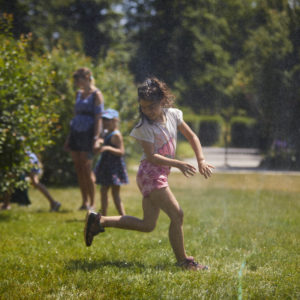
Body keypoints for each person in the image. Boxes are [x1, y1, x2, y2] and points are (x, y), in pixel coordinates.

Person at [84, 77, 214, 270]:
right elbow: (152, 157)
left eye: (151, 106)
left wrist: (201, 159)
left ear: (162, 100)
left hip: (155, 175)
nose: (148, 111)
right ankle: (183, 261)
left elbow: (192, 136)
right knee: (177, 215)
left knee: (147, 225)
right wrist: (178, 163)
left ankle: (99, 220)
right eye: (143, 107)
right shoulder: (144, 127)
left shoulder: (173, 115)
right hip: (150, 175)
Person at [64, 67, 104, 210]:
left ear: (87, 77)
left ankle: (92, 203)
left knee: (87, 168)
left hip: (89, 134)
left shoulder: (96, 94)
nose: (77, 82)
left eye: (78, 79)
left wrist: (96, 137)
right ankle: (84, 201)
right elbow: (75, 117)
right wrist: (69, 137)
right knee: (79, 168)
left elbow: (98, 117)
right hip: (76, 133)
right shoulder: (78, 94)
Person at [94, 109, 129, 216]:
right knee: (103, 191)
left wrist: (108, 148)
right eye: (104, 120)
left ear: (115, 121)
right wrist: (99, 142)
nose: (105, 122)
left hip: (114, 168)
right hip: (105, 167)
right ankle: (103, 215)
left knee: (115, 193)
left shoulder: (116, 135)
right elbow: (98, 144)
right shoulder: (105, 133)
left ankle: (123, 216)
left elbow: (121, 151)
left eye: (108, 120)